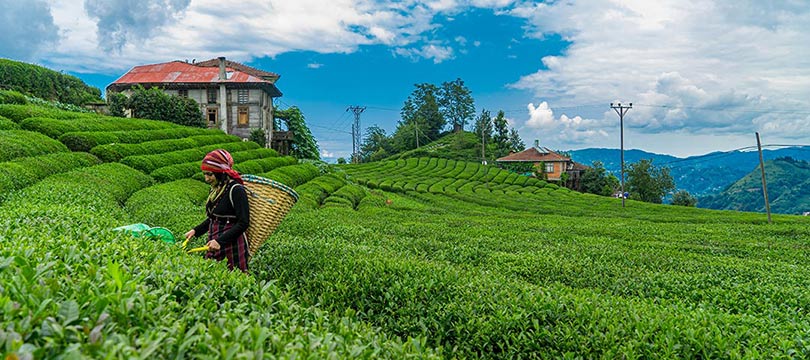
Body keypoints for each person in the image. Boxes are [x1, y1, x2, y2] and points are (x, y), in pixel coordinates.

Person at [184, 149, 250, 273]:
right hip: (213, 240)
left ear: (221, 173)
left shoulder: (236, 190)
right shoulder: (216, 189)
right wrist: (195, 231)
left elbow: (243, 222)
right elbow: (213, 218)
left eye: (210, 174)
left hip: (231, 243)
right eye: (205, 174)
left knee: (232, 277)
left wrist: (220, 241)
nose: (206, 179)